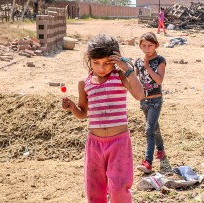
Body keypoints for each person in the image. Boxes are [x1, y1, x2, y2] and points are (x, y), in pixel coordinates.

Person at [61, 34, 145, 202]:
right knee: (94, 188)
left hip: (119, 143)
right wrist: (71, 107)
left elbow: (139, 95)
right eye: (96, 63)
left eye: (107, 63)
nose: (101, 68)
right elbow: (83, 113)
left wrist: (127, 69)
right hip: (94, 145)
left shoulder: (120, 76)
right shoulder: (84, 83)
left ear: (115, 59)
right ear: (89, 59)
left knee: (119, 187)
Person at [134, 32, 167, 174]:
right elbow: (134, 80)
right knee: (154, 126)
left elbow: (159, 80)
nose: (147, 48)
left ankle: (148, 162)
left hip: (155, 100)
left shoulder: (160, 60)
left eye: (150, 45)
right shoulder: (137, 61)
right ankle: (161, 149)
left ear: (156, 45)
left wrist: (147, 66)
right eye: (144, 45)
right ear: (140, 46)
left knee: (149, 129)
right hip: (144, 100)